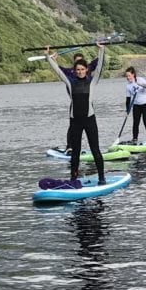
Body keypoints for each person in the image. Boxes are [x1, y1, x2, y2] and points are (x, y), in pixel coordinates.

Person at [44, 42, 107, 186]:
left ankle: (102, 177)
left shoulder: (92, 82)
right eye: (77, 69)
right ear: (75, 70)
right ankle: (73, 179)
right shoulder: (70, 82)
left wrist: (101, 50)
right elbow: (57, 71)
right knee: (76, 152)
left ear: (86, 70)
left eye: (82, 69)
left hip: (90, 120)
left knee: (95, 149)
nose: (79, 71)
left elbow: (100, 66)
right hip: (75, 121)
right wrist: (48, 56)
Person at [123, 66, 146, 143]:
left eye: (129, 75)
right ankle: (135, 139)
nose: (128, 77)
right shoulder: (128, 86)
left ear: (133, 74)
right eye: (126, 76)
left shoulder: (140, 79)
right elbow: (128, 100)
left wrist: (142, 85)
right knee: (135, 122)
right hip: (136, 105)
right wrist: (127, 110)